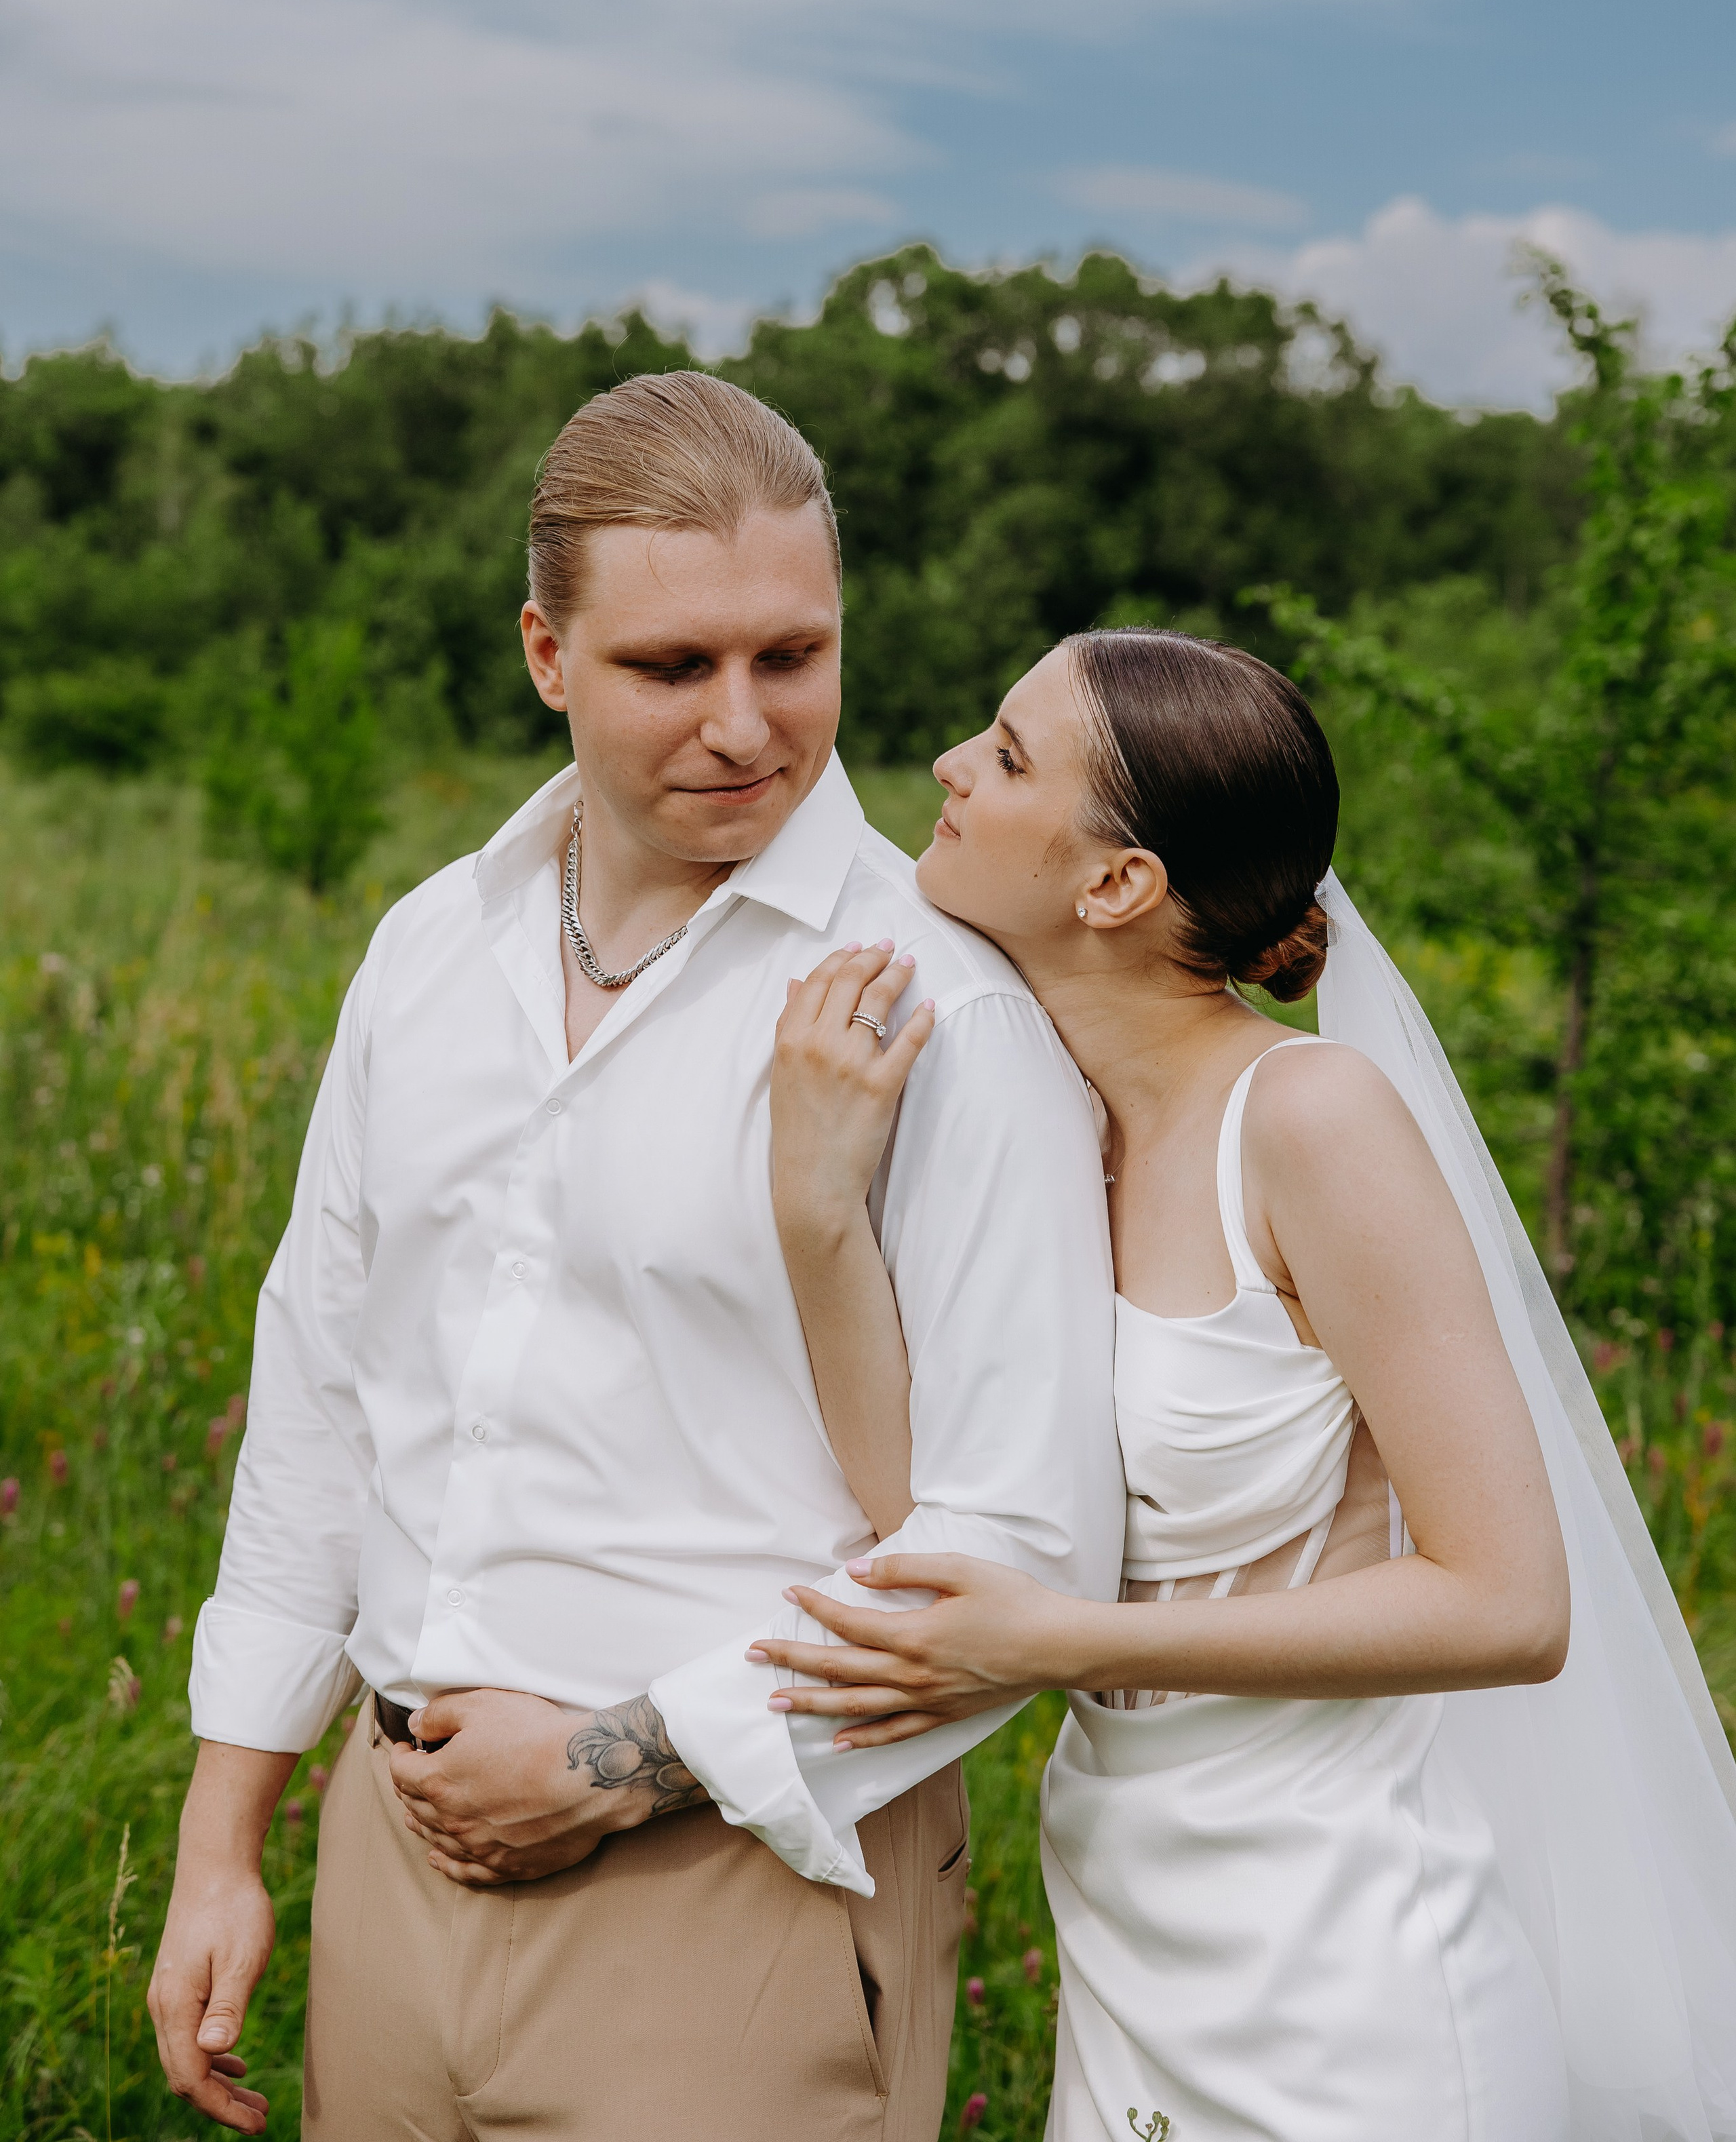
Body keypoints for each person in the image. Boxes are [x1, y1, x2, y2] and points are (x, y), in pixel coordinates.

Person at [145, 372, 1125, 2141]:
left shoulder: (946, 1010)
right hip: (390, 1852)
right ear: (546, 653)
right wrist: (226, 1839)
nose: (746, 724)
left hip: (743, 1888)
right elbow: (322, 1392)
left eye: (792, 655)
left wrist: (611, 1765)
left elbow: (1023, 1542)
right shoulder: (429, 950)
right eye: (673, 666)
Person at [755, 627, 1736, 2142]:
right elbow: (928, 1525)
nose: (948, 766)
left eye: (1006, 756)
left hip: (1350, 1961)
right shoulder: (1044, 1124)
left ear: (1116, 884)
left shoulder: (1307, 1120)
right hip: (1129, 1918)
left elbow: (1508, 1603)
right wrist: (819, 1212)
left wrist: (1059, 1638)